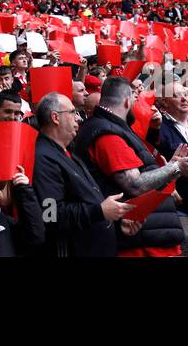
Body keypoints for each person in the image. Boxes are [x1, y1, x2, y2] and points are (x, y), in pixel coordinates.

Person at [74, 76, 188, 256]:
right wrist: (174, 168)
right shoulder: (107, 134)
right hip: (140, 242)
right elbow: (135, 185)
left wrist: (172, 169)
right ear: (127, 101)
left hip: (148, 233)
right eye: (136, 98)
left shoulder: (110, 128)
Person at [33, 91, 133, 256]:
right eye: (72, 113)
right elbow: (51, 215)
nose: (78, 118)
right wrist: (99, 211)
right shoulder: (43, 157)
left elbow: (88, 200)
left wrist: (115, 220)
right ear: (55, 118)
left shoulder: (68, 152)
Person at [156, 80, 188, 252]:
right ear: (164, 103)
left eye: (184, 93)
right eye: (176, 95)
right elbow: (154, 162)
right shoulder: (158, 129)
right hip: (179, 207)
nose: (183, 98)